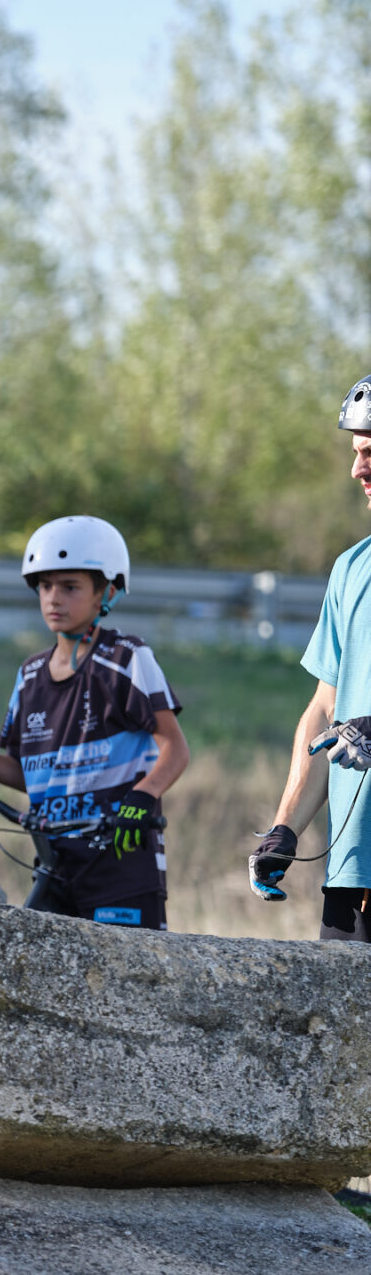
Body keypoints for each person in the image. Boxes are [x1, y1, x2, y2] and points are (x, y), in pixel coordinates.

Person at [0, 516, 189, 928]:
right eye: (45, 586)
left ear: (108, 591)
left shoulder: (126, 659)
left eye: (70, 586)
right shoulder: (29, 676)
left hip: (120, 861)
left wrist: (144, 795)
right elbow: (30, 774)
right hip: (54, 862)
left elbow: (175, 748)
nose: (53, 599)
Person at [250, 376, 371, 938]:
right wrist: (285, 827)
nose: (357, 469)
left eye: (370, 450)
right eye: (355, 451)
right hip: (354, 866)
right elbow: (326, 710)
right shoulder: (351, 569)